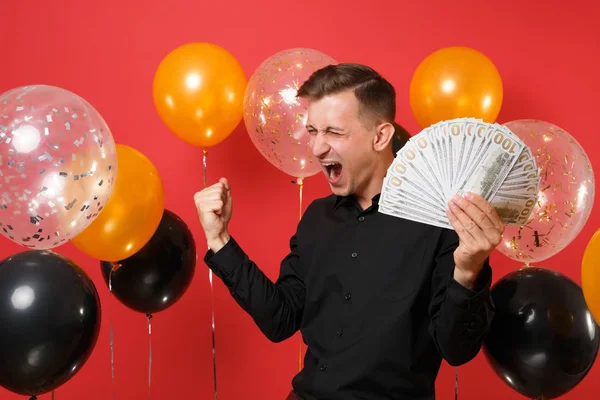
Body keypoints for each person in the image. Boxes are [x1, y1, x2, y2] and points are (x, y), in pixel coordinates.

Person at [194, 63, 502, 400]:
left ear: (380, 136)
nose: (316, 148)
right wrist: (219, 239)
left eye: (333, 132)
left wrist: (469, 271)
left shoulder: (440, 221)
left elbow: (456, 350)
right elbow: (280, 319)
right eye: (312, 131)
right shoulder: (317, 218)